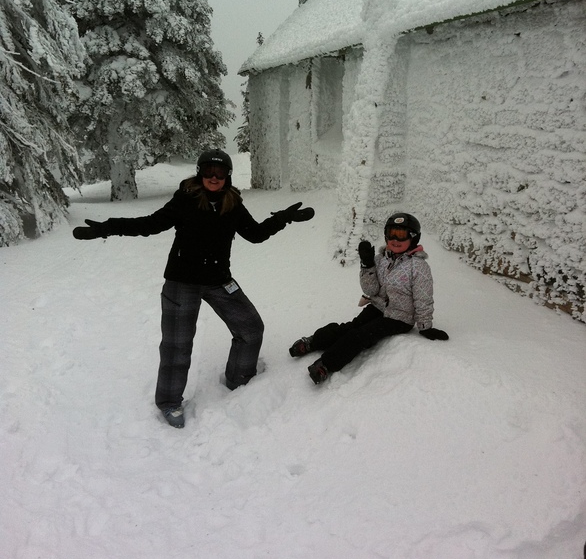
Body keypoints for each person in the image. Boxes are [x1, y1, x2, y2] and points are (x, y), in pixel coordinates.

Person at [73, 149, 314, 427]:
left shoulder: (232, 203)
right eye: (208, 172)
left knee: (250, 328)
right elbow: (151, 224)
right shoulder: (186, 199)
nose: (214, 177)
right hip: (182, 281)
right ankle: (169, 402)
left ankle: (240, 378)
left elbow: (256, 234)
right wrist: (106, 228)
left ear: (228, 176)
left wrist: (284, 217)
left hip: (219, 280)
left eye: (220, 173)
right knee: (177, 346)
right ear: (200, 173)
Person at [289, 212, 448, 384]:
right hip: (378, 306)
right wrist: (367, 265)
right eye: (392, 233)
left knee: (361, 335)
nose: (395, 239)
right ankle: (314, 342)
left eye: (401, 235)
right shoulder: (380, 259)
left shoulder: (418, 267)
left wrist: (425, 326)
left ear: (413, 238)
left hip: (399, 317)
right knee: (350, 327)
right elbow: (371, 290)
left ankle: (326, 364)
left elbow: (423, 298)